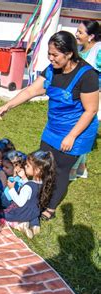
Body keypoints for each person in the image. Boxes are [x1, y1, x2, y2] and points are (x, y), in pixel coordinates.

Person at [0, 31, 99, 220]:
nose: (51, 59)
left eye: (55, 55)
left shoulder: (87, 75)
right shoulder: (51, 70)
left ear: (69, 54)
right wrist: (8, 105)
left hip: (77, 131)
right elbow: (32, 90)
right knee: (43, 165)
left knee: (60, 170)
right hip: (53, 128)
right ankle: (39, 197)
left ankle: (50, 207)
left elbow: (90, 111)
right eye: (49, 54)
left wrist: (72, 136)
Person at [0, 150, 55, 239]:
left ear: (37, 170)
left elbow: (20, 202)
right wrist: (24, 177)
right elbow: (30, 192)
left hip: (22, 213)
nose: (25, 166)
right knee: (33, 215)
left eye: (28, 166)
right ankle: (35, 225)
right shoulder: (42, 184)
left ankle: (20, 225)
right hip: (34, 212)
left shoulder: (28, 186)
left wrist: (11, 188)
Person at [70, 20, 101, 180]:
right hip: (79, 98)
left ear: (91, 36)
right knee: (79, 129)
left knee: (82, 131)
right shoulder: (81, 50)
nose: (77, 34)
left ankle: (73, 169)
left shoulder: (99, 50)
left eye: (80, 32)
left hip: (94, 98)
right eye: (77, 31)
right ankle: (81, 168)